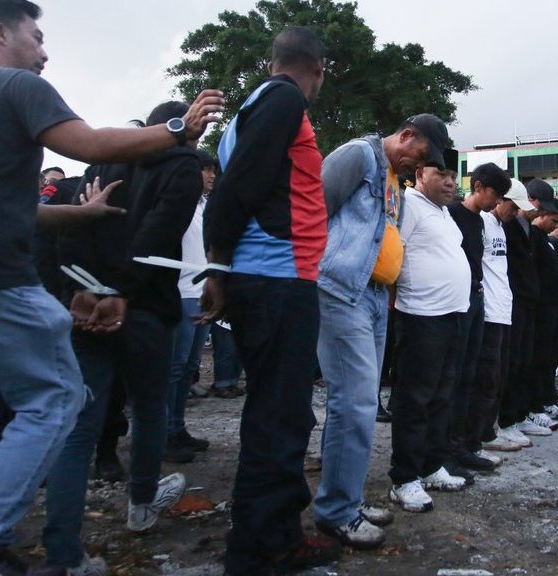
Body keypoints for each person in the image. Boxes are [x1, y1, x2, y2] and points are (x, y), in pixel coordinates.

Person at [0, 1, 224, 573]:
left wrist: (82, 217)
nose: (45, 51)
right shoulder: (14, 85)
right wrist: (180, 127)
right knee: (57, 398)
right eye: (37, 36)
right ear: (0, 32)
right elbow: (90, 145)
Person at [44, 100, 211, 574]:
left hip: (87, 306)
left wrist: (82, 289)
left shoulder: (106, 158)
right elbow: (158, 235)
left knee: (80, 423)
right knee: (150, 406)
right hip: (140, 308)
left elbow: (75, 226)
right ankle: (141, 503)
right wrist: (119, 293)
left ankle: (61, 549)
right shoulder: (181, 165)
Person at [197, 26, 340, 575]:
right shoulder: (283, 100)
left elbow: (243, 181)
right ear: (319, 68)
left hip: (271, 278)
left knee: (275, 414)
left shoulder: (252, 106)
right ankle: (266, 549)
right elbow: (238, 188)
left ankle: (263, 538)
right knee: (281, 418)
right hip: (279, 278)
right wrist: (217, 264)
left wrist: (223, 266)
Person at [312, 113, 452, 548]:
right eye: (421, 156)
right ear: (406, 136)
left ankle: (345, 499)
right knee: (353, 402)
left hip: (375, 297)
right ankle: (336, 511)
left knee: (361, 403)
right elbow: (314, 212)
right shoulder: (358, 155)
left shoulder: (393, 176)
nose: (419, 165)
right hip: (341, 291)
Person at [388, 155, 471, 513]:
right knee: (414, 400)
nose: (451, 182)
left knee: (441, 396)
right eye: (443, 174)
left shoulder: (443, 212)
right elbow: (392, 253)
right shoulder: (409, 206)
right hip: (420, 316)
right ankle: (404, 478)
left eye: (454, 176)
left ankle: (432, 465)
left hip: (452, 316)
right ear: (420, 173)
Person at [445, 162, 510, 473]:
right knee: (454, 375)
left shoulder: (481, 223)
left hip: (476, 297)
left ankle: (465, 445)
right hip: (455, 299)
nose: (495, 203)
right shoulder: (452, 214)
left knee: (470, 374)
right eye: (494, 195)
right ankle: (446, 448)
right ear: (479, 186)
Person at [496, 179, 558, 442]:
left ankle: (521, 415)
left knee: (525, 361)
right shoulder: (508, 225)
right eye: (537, 205)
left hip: (529, 304)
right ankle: (507, 419)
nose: (538, 211)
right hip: (512, 303)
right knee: (512, 363)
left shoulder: (529, 231)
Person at [164, 149, 218, 458]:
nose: (211, 175)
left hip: (201, 294)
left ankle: (177, 426)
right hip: (181, 293)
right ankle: (166, 434)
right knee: (176, 366)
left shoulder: (204, 207)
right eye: (205, 170)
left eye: (213, 170)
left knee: (190, 368)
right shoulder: (179, 204)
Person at [474, 180, 533, 454]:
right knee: (486, 375)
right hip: (488, 310)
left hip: (503, 309)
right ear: (500, 199)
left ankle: (492, 428)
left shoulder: (500, 226)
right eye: (513, 206)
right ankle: (483, 432)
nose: (514, 212)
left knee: (499, 374)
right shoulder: (483, 221)